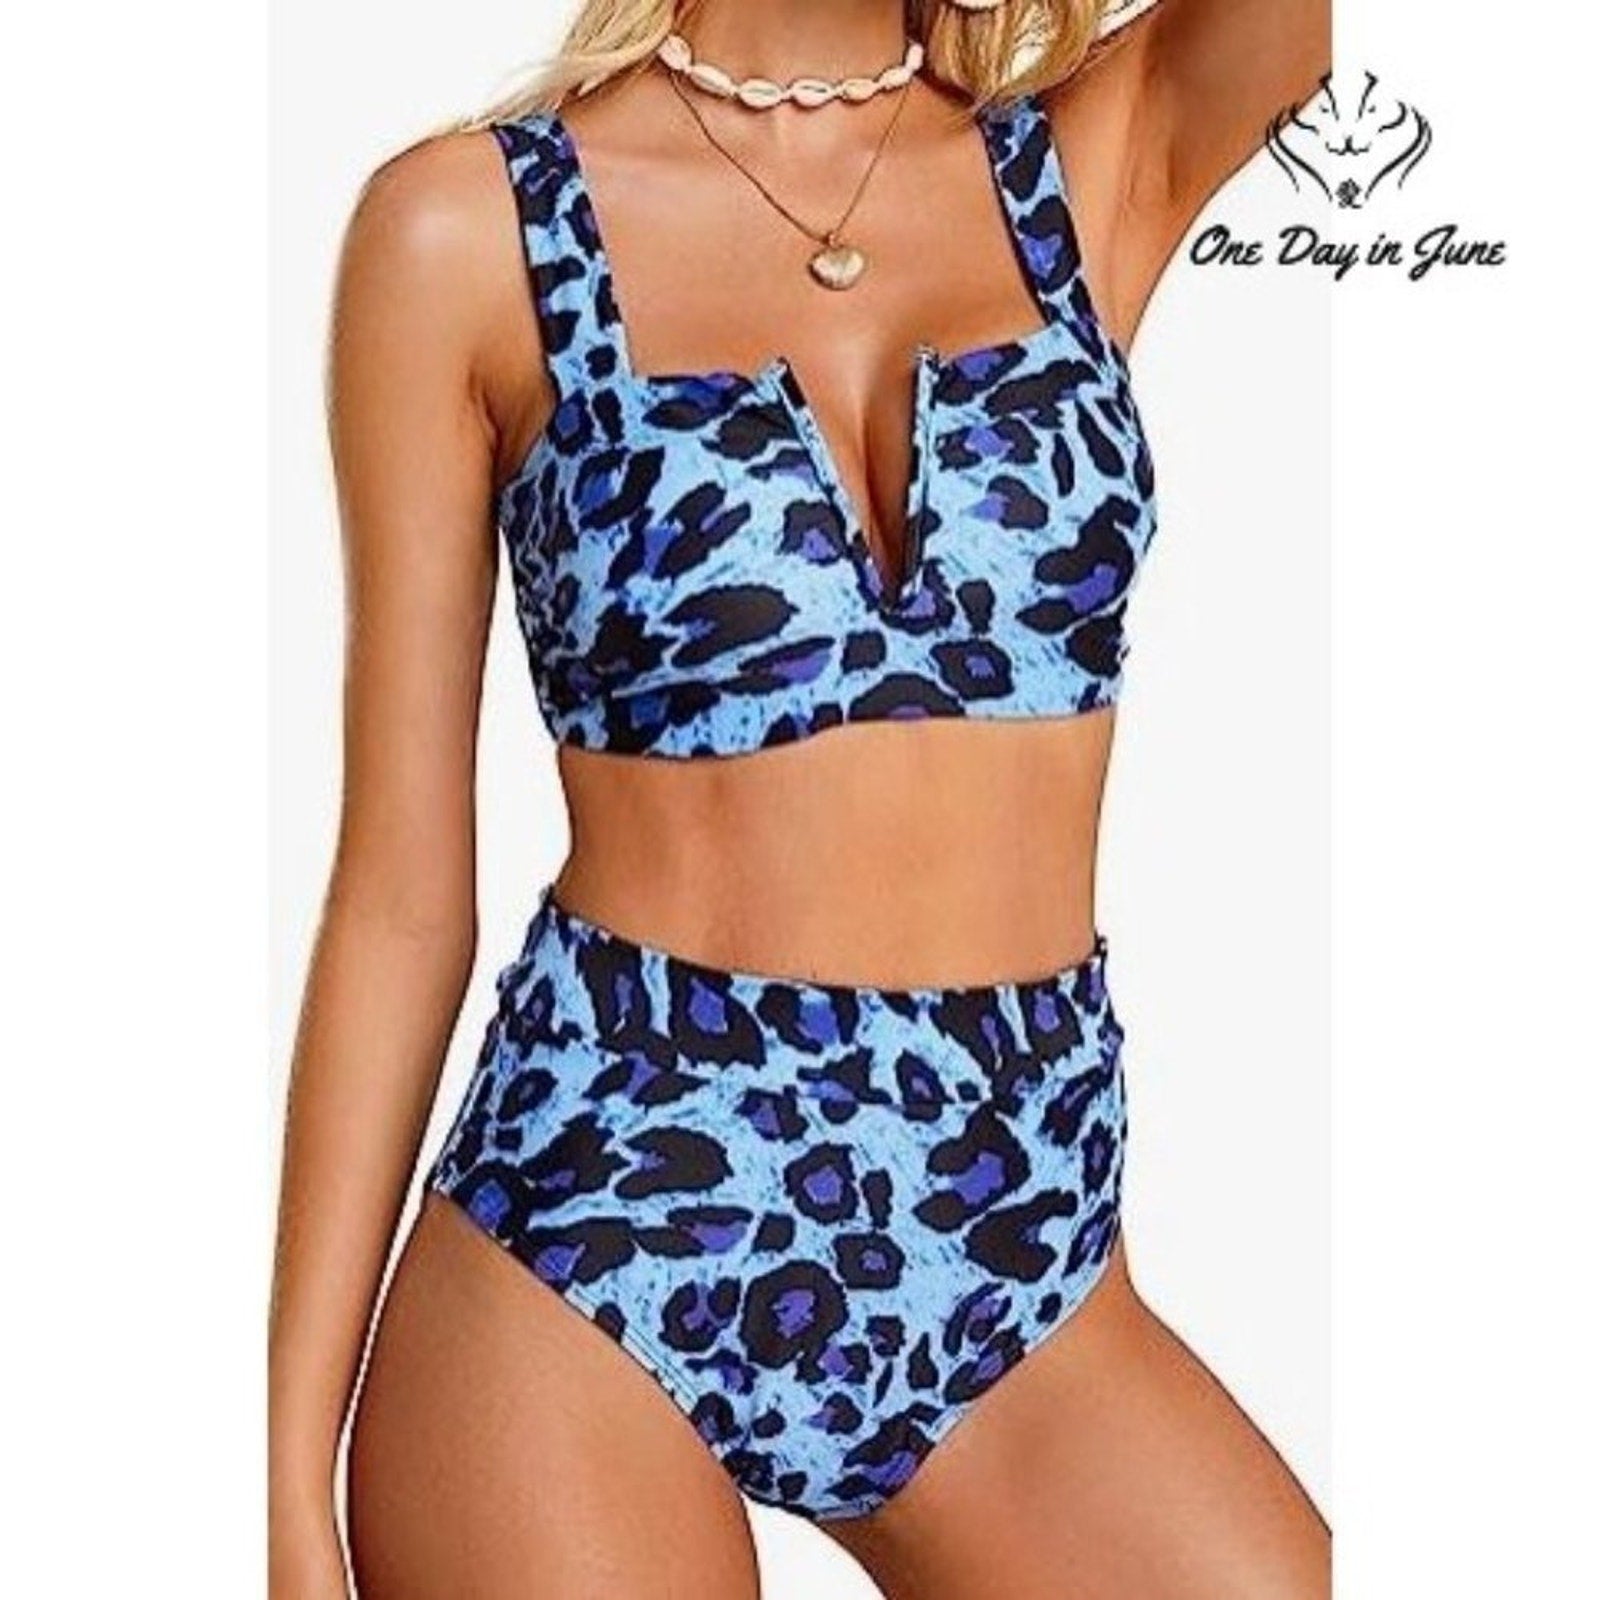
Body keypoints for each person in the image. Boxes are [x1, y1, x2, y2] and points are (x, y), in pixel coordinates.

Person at [270, 2, 1332, 1594]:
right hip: (605, 1227)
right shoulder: (467, 232)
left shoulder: (1080, 167)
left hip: (1020, 1250)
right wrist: (290, 1481)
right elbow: (400, 895)